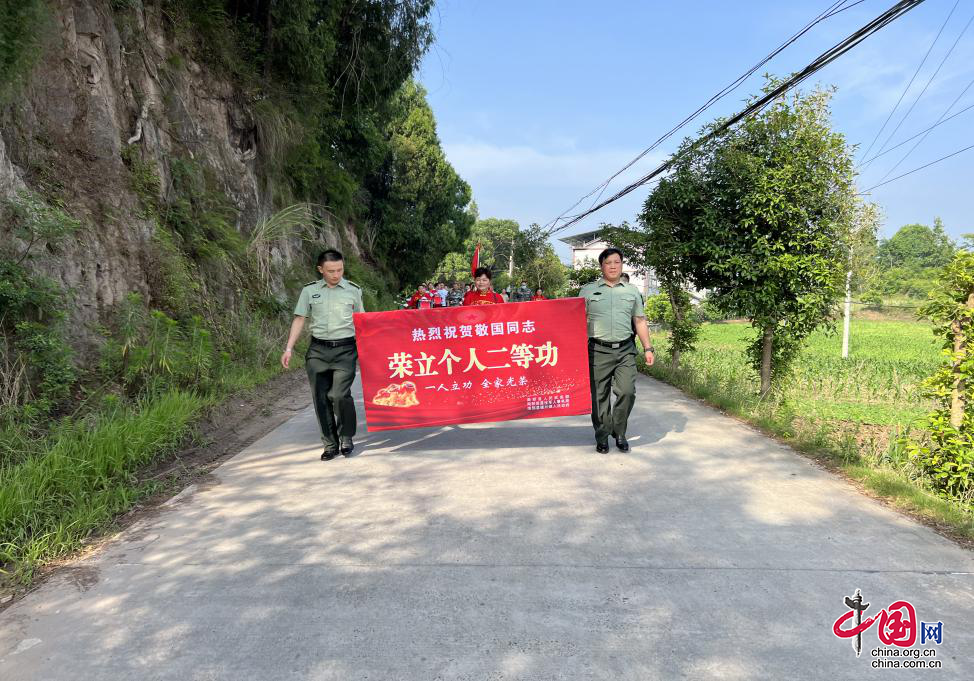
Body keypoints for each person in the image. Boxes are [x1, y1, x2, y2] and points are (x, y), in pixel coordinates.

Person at [282, 249, 364, 461]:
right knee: (320, 398)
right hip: (318, 350)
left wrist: (368, 350)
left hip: (346, 349)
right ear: (321, 270)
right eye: (331, 271)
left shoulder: (353, 290)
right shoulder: (309, 291)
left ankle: (346, 436)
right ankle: (329, 444)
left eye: (340, 269)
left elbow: (362, 321)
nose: (336, 274)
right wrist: (289, 348)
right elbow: (299, 319)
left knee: (339, 395)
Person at [580, 248, 655, 454]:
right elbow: (574, 321)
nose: (613, 266)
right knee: (599, 396)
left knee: (626, 392)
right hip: (597, 350)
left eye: (617, 262)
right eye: (608, 262)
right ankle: (603, 436)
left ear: (622, 264)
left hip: (625, 350)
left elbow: (639, 320)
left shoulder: (631, 291)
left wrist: (648, 347)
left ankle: (619, 432)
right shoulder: (587, 291)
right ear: (601, 266)